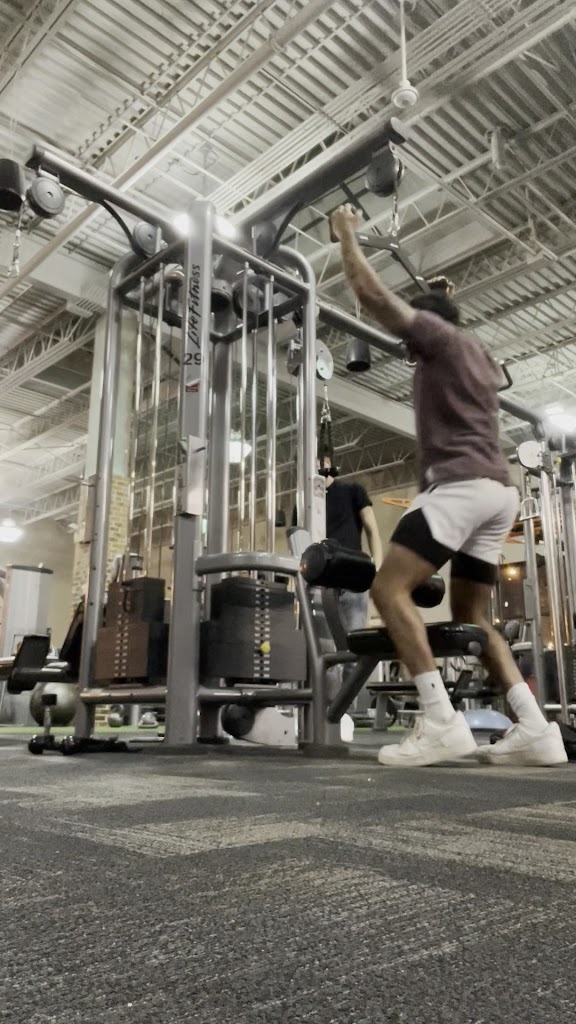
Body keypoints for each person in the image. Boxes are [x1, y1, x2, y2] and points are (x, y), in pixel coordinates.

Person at [329, 203, 567, 768]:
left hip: (458, 487)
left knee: (388, 591)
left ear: (427, 325)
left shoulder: (436, 339)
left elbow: (373, 295)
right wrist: (440, 295)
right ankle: (536, 728)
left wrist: (346, 235)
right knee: (473, 616)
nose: (407, 348)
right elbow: (444, 324)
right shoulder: (476, 353)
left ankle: (440, 721)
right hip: (498, 492)